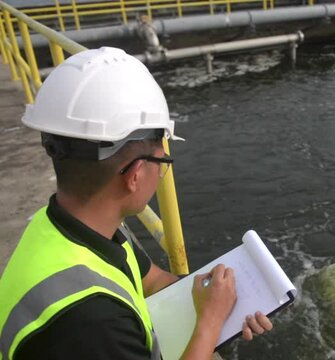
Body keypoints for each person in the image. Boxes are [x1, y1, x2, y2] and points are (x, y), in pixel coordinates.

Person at [0, 47, 272, 360]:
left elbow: (153, 280)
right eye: (163, 162)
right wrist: (209, 322)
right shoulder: (91, 321)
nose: (162, 173)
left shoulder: (72, 226)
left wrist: (227, 303)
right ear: (135, 174)